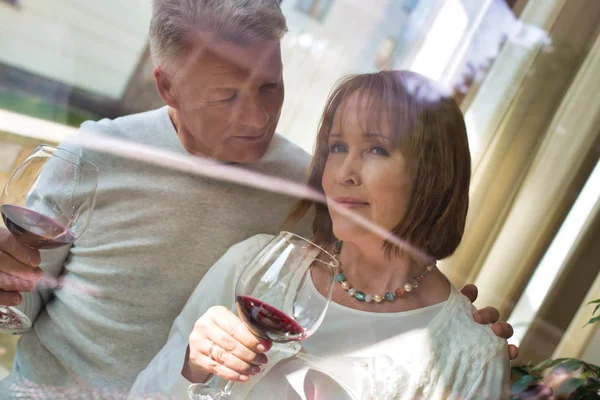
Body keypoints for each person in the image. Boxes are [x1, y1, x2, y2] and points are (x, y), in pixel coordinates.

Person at [0, 0, 514, 397]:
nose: (258, 118)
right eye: (226, 97)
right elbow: (20, 300)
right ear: (168, 86)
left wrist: (453, 337)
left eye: (271, 87)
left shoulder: (309, 184)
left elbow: (379, 264)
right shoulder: (95, 157)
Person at [130, 70, 511, 399]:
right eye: (338, 147)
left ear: (433, 175)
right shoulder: (254, 267)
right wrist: (192, 366)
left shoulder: (471, 353)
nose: (345, 171)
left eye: (376, 149)